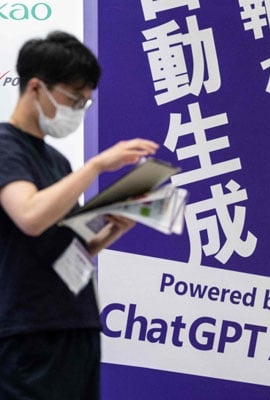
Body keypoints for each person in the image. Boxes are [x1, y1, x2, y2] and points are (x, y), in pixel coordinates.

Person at [0, 31, 159, 399]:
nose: (77, 109)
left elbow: (65, 250)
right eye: (74, 98)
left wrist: (110, 232)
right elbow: (29, 216)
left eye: (85, 102)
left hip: (76, 322)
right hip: (29, 333)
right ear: (36, 87)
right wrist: (97, 166)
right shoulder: (6, 148)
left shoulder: (56, 161)